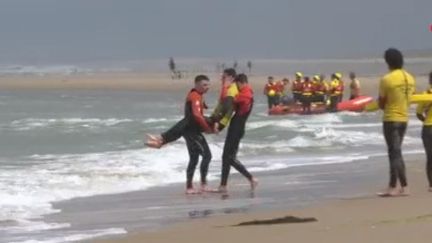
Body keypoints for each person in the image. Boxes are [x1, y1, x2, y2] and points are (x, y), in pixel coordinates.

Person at [145, 75, 214, 194]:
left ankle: (189, 187)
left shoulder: (196, 95)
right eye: (204, 85)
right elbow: (197, 115)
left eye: (208, 85)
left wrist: (204, 106)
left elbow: (195, 110)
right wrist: (207, 128)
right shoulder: (195, 96)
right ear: (196, 85)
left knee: (194, 158)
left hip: (188, 130)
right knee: (207, 156)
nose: (207, 87)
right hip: (192, 132)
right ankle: (203, 185)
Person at [377, 48, 416, 197]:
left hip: (391, 119)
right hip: (404, 119)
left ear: (388, 61)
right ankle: (393, 186)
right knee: (395, 152)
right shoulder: (410, 78)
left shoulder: (387, 79)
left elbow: (381, 103)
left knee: (394, 153)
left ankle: (402, 186)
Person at [213, 73, 258, 193]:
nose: (236, 87)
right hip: (236, 127)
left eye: (236, 85)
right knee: (226, 157)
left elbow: (229, 100)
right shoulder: (248, 92)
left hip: (237, 128)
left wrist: (226, 87)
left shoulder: (246, 94)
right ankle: (223, 186)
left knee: (229, 158)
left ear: (240, 83)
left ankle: (251, 178)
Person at [416, 71, 432, 192]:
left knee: (430, 157)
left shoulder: (425, 94)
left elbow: (418, 113)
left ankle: (431, 185)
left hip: (428, 128)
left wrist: (426, 120)